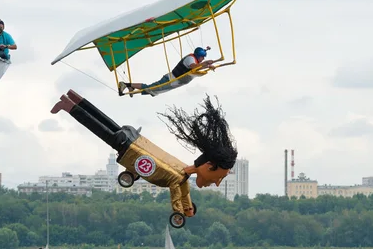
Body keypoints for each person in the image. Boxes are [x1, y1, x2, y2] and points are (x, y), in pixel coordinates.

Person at [49, 89, 237, 223]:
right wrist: (179, 212)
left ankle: (76, 99)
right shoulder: (178, 176)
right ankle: (69, 105)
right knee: (100, 129)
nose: (217, 183)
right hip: (132, 150)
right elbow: (176, 194)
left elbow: (184, 192)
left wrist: (188, 208)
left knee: (109, 126)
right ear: (209, 166)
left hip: (136, 144)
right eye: (218, 177)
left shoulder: (182, 172)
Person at [118, 46, 215, 97]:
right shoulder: (190, 58)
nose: (202, 59)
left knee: (151, 91)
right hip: (170, 79)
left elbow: (197, 69)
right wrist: (205, 63)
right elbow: (195, 67)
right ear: (199, 56)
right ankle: (125, 84)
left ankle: (131, 86)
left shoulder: (195, 61)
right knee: (150, 88)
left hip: (173, 83)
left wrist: (208, 66)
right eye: (202, 58)